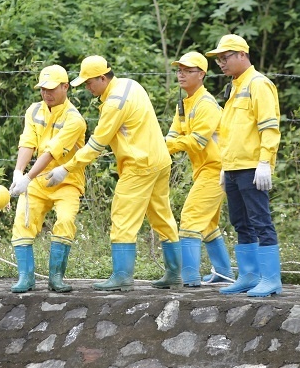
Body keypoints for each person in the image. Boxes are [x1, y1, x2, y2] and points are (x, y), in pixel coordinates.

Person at [47, 56, 181, 291]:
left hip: (139, 165)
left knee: (122, 218)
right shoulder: (131, 84)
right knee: (162, 215)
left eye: (89, 83)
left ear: (102, 77)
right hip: (160, 159)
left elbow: (97, 145)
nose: (88, 88)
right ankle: (174, 273)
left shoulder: (114, 103)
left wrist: (66, 168)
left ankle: (122, 277)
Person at [205, 34, 282, 297]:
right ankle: (249, 276)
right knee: (240, 222)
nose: (221, 64)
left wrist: (264, 161)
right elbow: (230, 132)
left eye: (225, 58)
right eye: (218, 60)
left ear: (242, 55)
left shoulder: (259, 84)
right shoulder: (234, 86)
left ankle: (271, 279)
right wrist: (225, 166)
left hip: (252, 166)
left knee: (260, 221)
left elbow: (270, 126)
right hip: (235, 166)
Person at [8, 65, 87, 293]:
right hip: (37, 182)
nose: (46, 94)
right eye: (43, 89)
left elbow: (52, 151)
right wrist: (18, 172)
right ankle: (26, 278)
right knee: (23, 223)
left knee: (65, 221)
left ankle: (56, 278)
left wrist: (27, 177)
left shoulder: (75, 119)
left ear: (65, 87)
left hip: (67, 180)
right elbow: (28, 141)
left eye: (51, 89)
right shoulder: (34, 110)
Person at [166, 51, 234, 287]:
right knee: (207, 224)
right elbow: (173, 136)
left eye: (188, 71)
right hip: (203, 170)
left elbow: (197, 141)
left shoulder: (206, 104)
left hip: (216, 170)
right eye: (179, 70)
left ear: (202, 75)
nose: (181, 75)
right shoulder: (184, 103)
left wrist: (165, 146)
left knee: (191, 218)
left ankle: (190, 278)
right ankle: (224, 273)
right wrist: (157, 147)